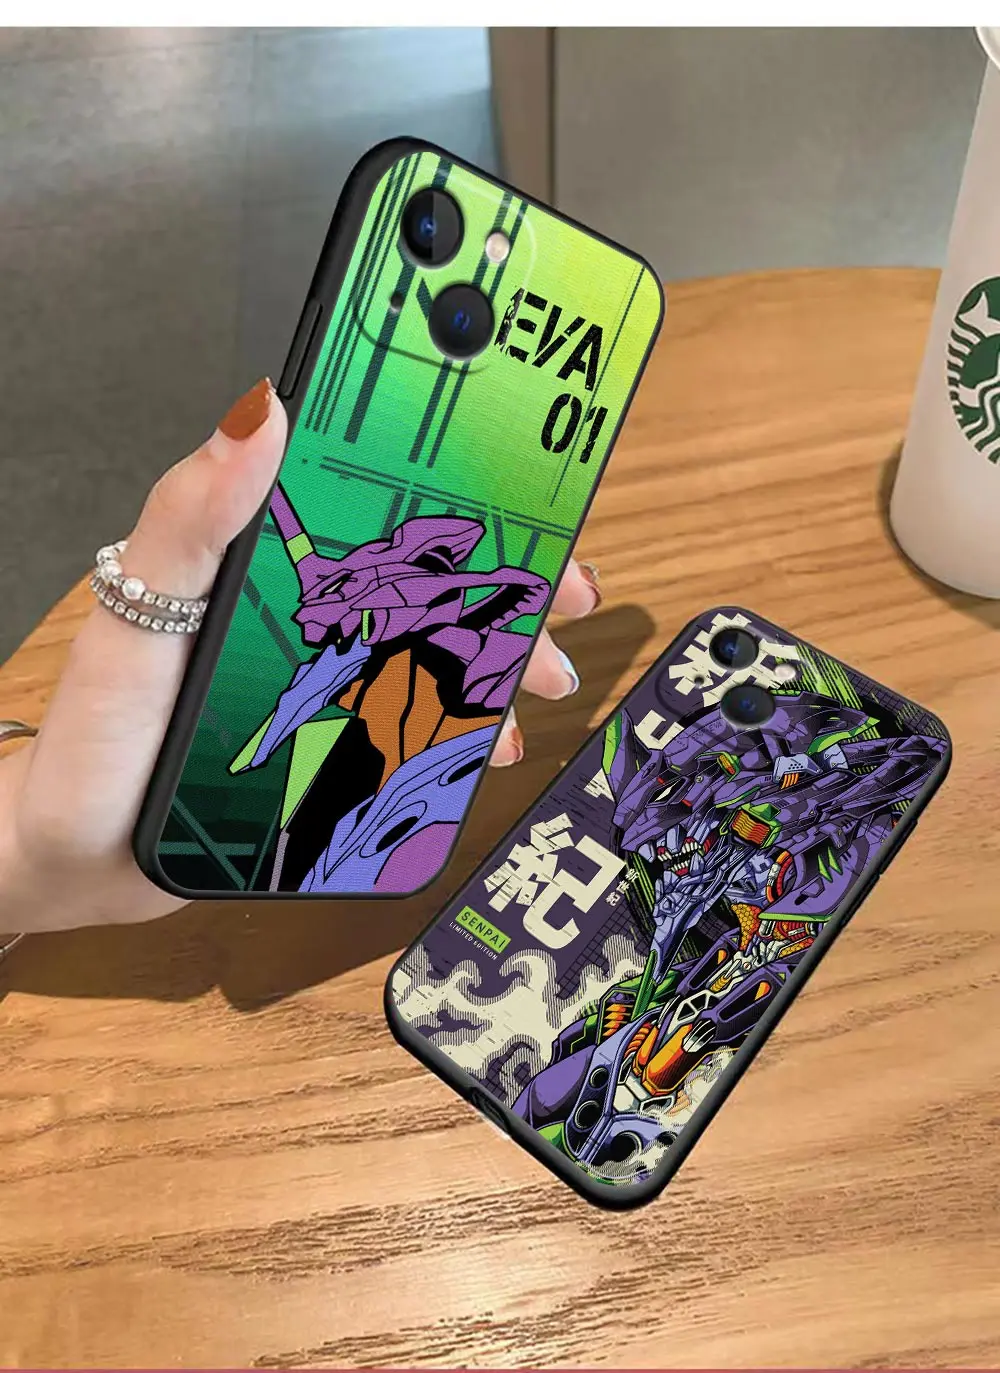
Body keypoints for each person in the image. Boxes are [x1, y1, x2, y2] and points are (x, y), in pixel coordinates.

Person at [0, 380, 601, 936]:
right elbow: (315, 582)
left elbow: (521, 589)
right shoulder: (368, 583)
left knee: (349, 761)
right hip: (350, 672)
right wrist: (27, 845)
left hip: (384, 702)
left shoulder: (432, 594)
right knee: (292, 747)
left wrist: (456, 600)